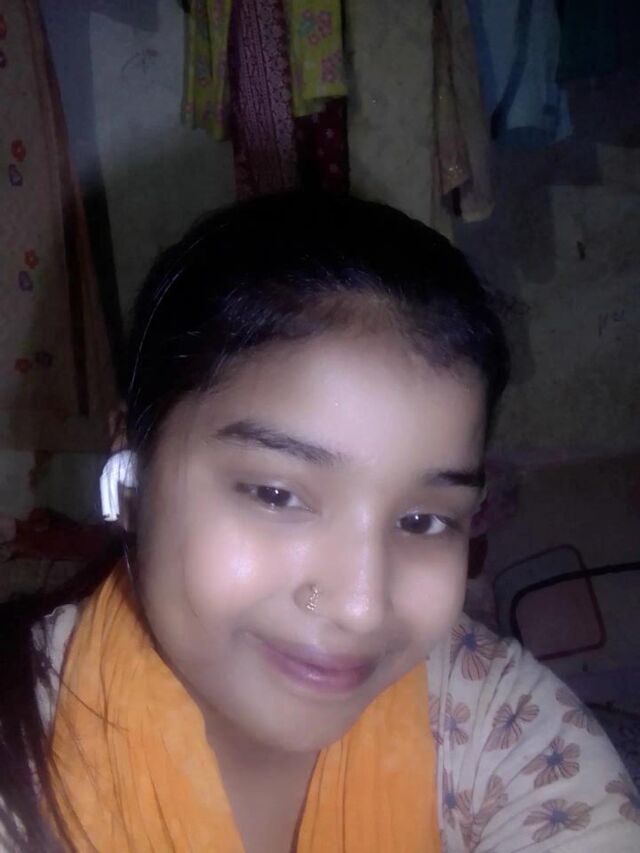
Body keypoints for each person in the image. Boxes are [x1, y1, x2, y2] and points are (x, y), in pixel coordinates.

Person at [1, 193, 638, 852]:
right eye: (277, 494)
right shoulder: (22, 758)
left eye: (423, 520)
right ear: (133, 476)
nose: (362, 608)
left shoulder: (493, 721)